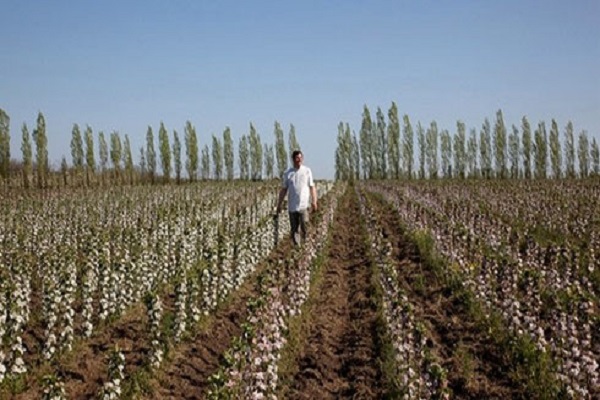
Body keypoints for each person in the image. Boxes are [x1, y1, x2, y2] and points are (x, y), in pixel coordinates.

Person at [276, 150, 318, 246]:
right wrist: (279, 204)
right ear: (293, 159)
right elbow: (284, 190)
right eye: (297, 158)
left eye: (300, 158)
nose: (299, 160)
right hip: (292, 206)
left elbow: (312, 187)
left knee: (305, 225)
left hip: (304, 205)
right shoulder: (288, 173)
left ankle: (307, 244)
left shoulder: (307, 171)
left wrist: (314, 201)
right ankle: (297, 247)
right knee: (294, 229)